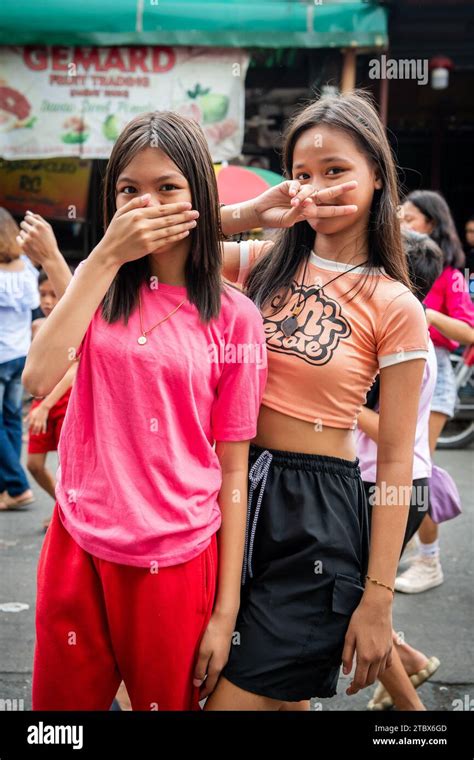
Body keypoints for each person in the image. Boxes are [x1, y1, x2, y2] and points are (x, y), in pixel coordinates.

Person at [23, 111, 267, 711]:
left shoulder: (236, 318)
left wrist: (226, 611)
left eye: (167, 188)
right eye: (129, 189)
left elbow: (234, 469)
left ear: (197, 197)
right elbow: (37, 377)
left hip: (177, 557)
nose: (146, 205)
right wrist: (103, 259)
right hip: (77, 541)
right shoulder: (96, 284)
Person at [204, 90, 429, 711]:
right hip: (226, 493)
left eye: (337, 171)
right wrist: (254, 210)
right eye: (302, 174)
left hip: (316, 516)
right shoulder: (260, 263)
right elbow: (147, 249)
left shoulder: (395, 305)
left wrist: (378, 598)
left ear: (378, 176)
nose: (317, 187)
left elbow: (394, 461)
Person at [356, 229, 443, 710]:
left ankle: (412, 708)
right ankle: (406, 661)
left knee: (357, 598)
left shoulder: (408, 345)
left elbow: (388, 430)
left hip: (391, 487)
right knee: (358, 596)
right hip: (385, 482)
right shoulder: (398, 333)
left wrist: (339, 400)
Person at [399, 190, 474, 593]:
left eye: (410, 219)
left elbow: (468, 331)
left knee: (414, 471)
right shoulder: (396, 265)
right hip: (396, 366)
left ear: (431, 223)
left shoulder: (449, 275)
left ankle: (430, 560)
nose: (402, 225)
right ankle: (407, 549)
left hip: (434, 371)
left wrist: (423, 311)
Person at [26, 270, 77, 531]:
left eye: (53, 294)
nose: (47, 301)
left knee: (66, 466)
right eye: (42, 294)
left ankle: (67, 516)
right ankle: (64, 507)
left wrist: (45, 406)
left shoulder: (73, 325)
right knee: (33, 465)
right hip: (42, 401)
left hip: (65, 401)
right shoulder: (36, 326)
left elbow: (73, 369)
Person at [0, 208, 37, 511]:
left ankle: (18, 485)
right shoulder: (26, 268)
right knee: (11, 419)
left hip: (1, 355)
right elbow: (33, 306)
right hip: (20, 353)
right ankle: (9, 487)